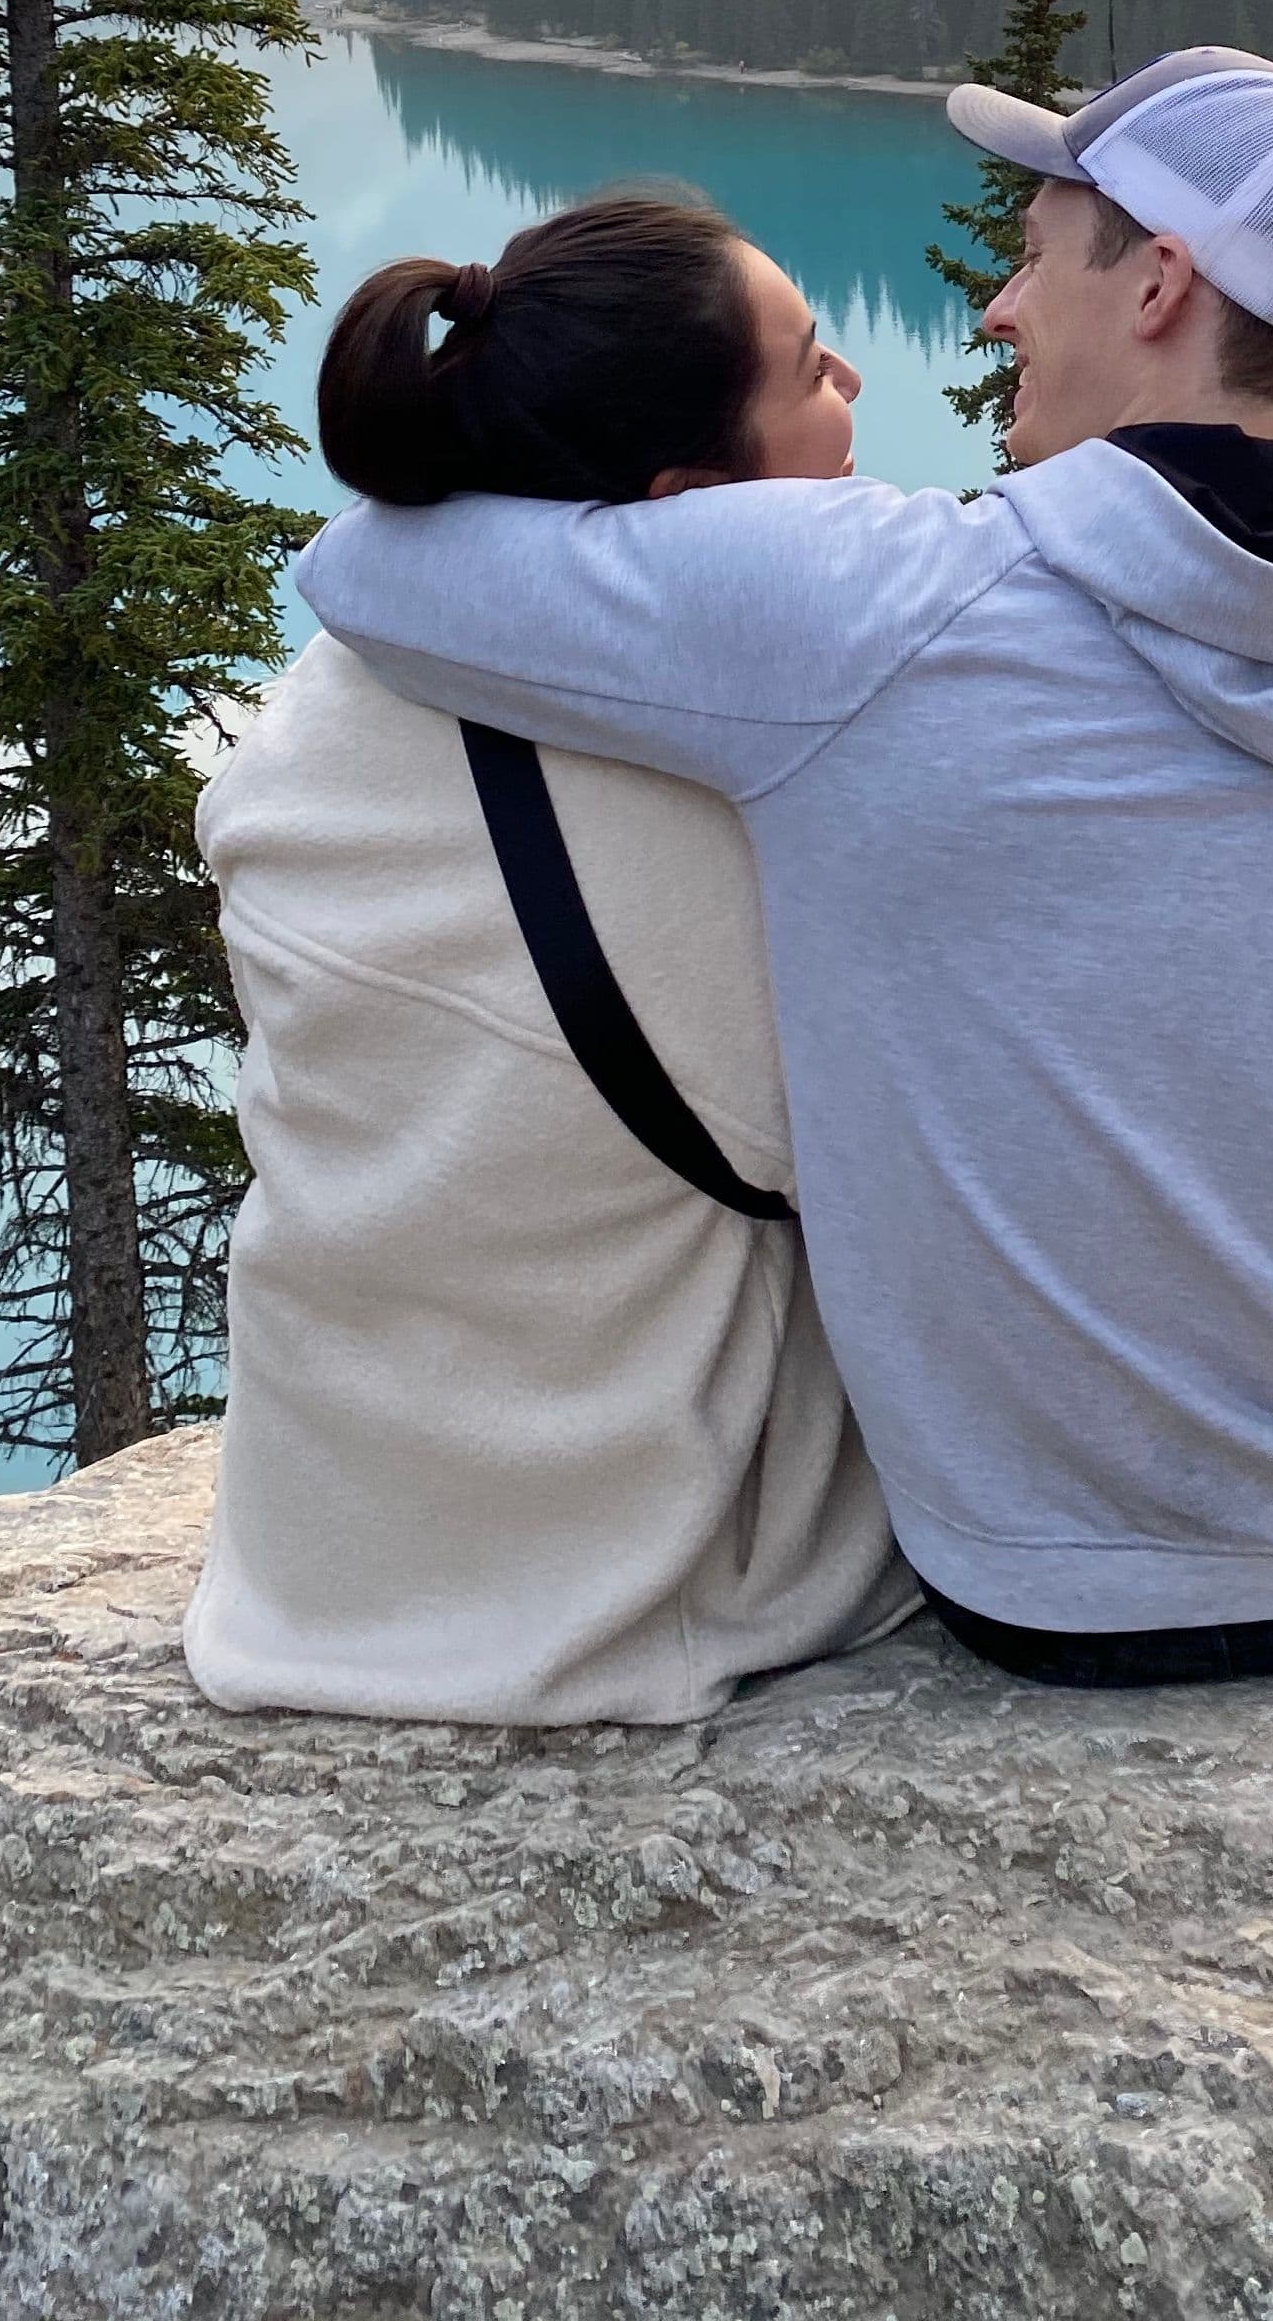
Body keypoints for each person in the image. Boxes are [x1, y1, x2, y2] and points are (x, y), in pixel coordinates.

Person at [297, 48, 1273, 1688]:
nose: (999, 308)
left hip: (1055, 1603)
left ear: (1160, 281)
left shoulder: (861, 619)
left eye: (1035, 253)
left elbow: (374, 563)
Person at [184, 190, 918, 1725]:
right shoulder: (730, 800)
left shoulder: (307, 723)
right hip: (618, 1581)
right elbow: (885, 1157)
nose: (853, 386)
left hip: (317, 1558)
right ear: (682, 498)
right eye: (807, 370)